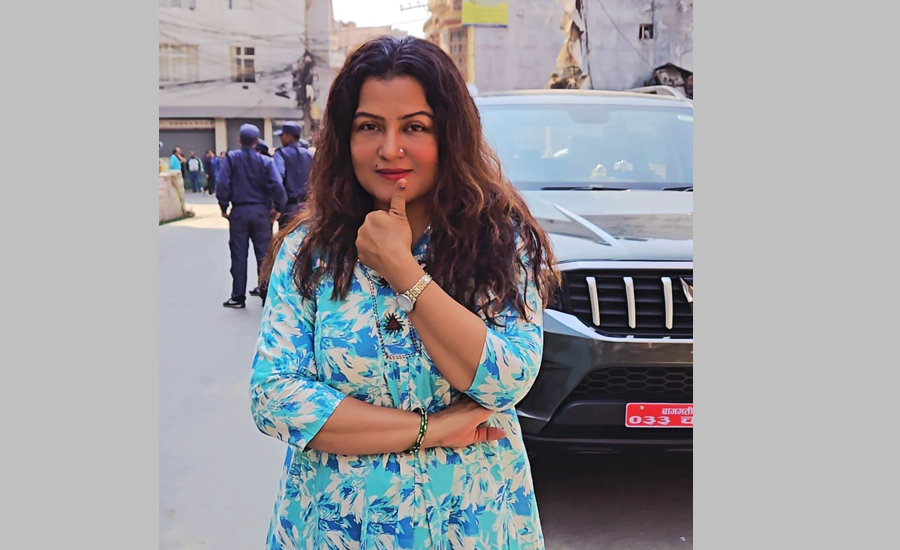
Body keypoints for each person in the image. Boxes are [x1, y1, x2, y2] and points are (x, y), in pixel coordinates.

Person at [250, 36, 559, 549]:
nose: (390, 148)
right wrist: (432, 430)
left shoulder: (501, 241)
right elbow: (275, 398)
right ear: (345, 138)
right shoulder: (309, 251)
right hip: (335, 528)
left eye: (414, 127)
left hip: (470, 522)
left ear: (450, 135)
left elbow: (507, 380)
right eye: (369, 126)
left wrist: (403, 271)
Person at [217, 124, 287, 309]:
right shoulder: (266, 162)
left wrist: (224, 206)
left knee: (238, 254)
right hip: (261, 213)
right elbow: (277, 186)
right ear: (257, 141)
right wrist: (278, 208)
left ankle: (238, 297)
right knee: (264, 255)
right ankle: (265, 294)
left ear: (240, 140)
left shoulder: (232, 158)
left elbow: (222, 183)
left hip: (239, 212)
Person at [272, 121, 314, 230]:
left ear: (289, 136)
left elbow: (278, 178)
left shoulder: (281, 154)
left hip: (289, 209)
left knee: (287, 239)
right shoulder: (310, 155)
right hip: (308, 208)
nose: (281, 138)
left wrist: (277, 206)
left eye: (282, 135)